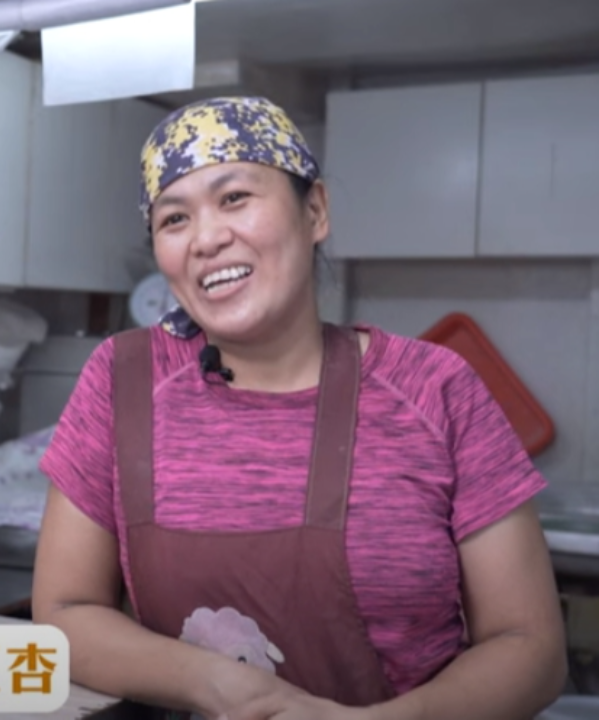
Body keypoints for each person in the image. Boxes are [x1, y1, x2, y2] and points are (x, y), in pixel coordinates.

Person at [31, 96, 567, 720]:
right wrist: (221, 684)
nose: (207, 238)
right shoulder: (121, 380)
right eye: (174, 219)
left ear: (315, 211)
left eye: (235, 198)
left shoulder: (437, 389)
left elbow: (530, 647)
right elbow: (65, 612)